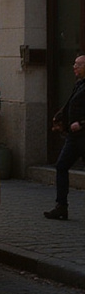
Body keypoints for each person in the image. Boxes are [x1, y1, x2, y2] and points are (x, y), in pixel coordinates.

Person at [44, 52, 85, 220]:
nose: (74, 67)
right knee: (61, 166)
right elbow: (71, 104)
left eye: (78, 64)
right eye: (74, 64)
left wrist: (82, 123)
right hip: (74, 137)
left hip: (83, 135)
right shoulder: (79, 84)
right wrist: (62, 118)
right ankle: (61, 206)